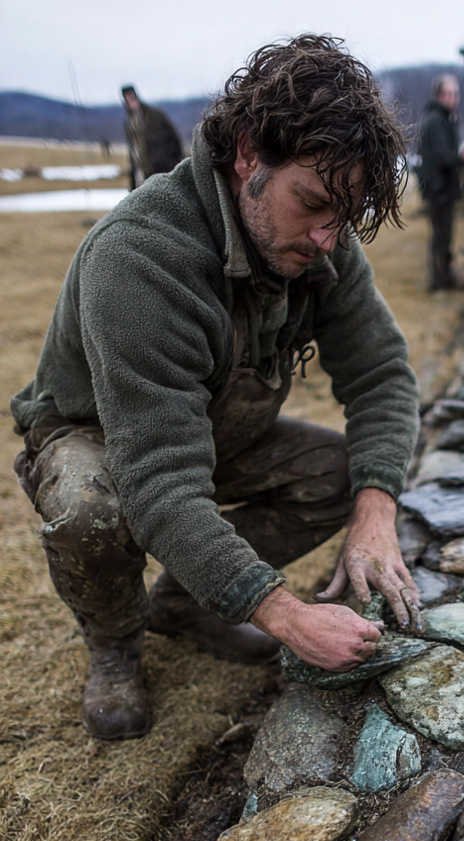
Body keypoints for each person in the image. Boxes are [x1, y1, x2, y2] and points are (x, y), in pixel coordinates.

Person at [11, 36, 421, 741]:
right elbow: (162, 482)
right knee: (90, 508)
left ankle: (187, 604)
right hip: (104, 437)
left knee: (350, 475)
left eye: (344, 217)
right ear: (247, 157)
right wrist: (284, 613)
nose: (328, 237)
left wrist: (377, 511)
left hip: (217, 428)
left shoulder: (321, 245)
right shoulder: (140, 259)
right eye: (314, 203)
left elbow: (382, 373)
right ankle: (116, 642)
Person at [418, 74, 464, 291]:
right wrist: (462, 158)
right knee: (440, 237)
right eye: (448, 94)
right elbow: (442, 156)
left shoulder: (444, 118)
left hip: (442, 187)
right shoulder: (436, 120)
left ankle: (444, 278)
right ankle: (439, 281)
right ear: (439, 95)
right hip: (439, 189)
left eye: (455, 94)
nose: (453, 98)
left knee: (443, 236)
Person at [121, 83, 184, 188]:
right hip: (141, 173)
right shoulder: (129, 122)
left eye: (132, 97)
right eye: (127, 98)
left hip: (163, 170)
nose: (130, 101)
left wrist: (175, 165)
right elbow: (132, 150)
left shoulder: (155, 116)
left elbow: (174, 140)